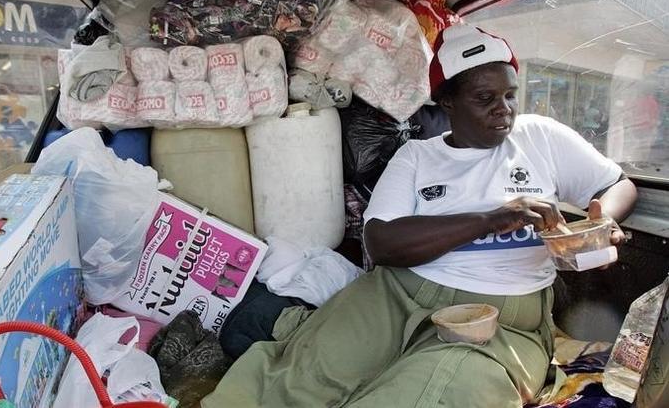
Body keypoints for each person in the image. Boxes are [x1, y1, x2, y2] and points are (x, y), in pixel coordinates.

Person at [202, 24, 638, 408]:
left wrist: (603, 220)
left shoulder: (541, 137)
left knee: (433, 392)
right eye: (485, 98)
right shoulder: (416, 157)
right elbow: (383, 244)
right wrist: (489, 219)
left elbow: (618, 184)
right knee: (306, 376)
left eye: (509, 95)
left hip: (500, 316)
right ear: (447, 101)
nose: (503, 108)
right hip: (396, 295)